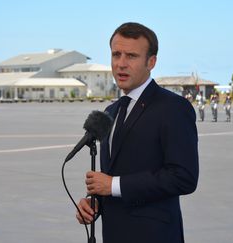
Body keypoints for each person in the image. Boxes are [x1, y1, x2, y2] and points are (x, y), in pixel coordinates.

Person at [76, 22, 199, 243]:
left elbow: (184, 178)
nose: (121, 64)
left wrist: (112, 185)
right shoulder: (110, 112)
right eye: (116, 54)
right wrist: (95, 202)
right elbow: (113, 175)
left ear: (151, 62)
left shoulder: (173, 107)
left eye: (131, 56)